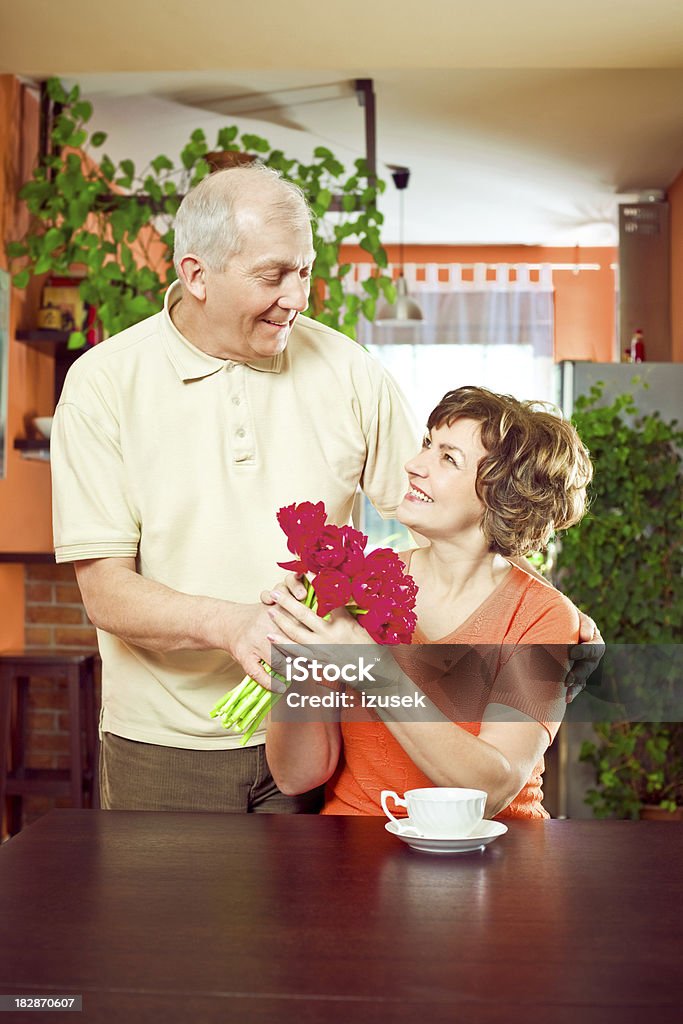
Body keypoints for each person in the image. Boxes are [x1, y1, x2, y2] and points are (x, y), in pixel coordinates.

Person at [50, 164, 420, 813]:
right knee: (165, 920)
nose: (297, 295)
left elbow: (435, 526)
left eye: (303, 270)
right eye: (272, 275)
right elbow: (105, 591)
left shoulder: (352, 373)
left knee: (320, 918)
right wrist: (232, 625)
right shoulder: (103, 384)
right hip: (161, 749)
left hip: (317, 735)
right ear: (196, 275)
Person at [264, 386, 595, 820]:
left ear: (501, 496)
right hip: (355, 849)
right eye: (427, 444)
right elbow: (297, 776)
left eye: (447, 458)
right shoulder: (355, 584)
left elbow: (492, 789)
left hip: (492, 858)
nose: (413, 465)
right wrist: (300, 658)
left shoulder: (541, 617)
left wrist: (371, 668)